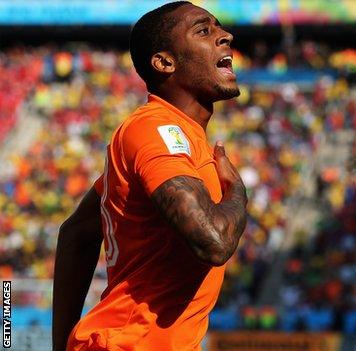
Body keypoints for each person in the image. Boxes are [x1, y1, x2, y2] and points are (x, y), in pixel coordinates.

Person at [52, 2, 248, 350]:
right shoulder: (157, 129)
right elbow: (213, 242)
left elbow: (76, 233)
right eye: (204, 31)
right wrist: (236, 192)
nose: (225, 36)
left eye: (219, 27)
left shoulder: (180, 140)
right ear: (164, 62)